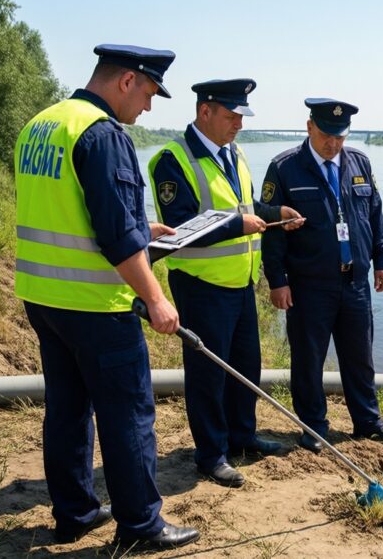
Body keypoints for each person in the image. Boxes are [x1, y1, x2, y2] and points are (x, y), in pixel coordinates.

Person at [14, 44, 198, 550]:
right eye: (149, 92)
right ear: (126, 81)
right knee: (129, 415)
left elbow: (69, 209)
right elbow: (115, 238)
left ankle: (74, 513)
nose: (149, 106)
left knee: (67, 410)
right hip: (96, 305)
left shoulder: (42, 125)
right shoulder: (102, 134)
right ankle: (141, 526)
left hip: (44, 299)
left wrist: (141, 227)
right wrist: (156, 299)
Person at [147, 79, 303, 488]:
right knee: (208, 374)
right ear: (205, 112)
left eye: (242, 117)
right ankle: (211, 454)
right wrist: (238, 225)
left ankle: (242, 436)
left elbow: (246, 208)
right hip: (201, 285)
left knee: (245, 366)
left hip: (240, 283)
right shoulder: (172, 159)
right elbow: (180, 226)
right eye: (232, 116)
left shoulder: (236, 153)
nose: (239, 124)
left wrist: (276, 212)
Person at [260, 98, 383, 453]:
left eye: (340, 136)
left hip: (355, 282)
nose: (333, 143)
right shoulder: (284, 168)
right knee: (308, 361)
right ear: (310, 126)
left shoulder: (360, 162)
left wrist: (382, 260)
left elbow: (375, 214)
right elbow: (272, 231)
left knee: (360, 358)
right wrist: (277, 280)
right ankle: (314, 427)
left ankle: (369, 423)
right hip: (309, 285)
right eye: (326, 135)